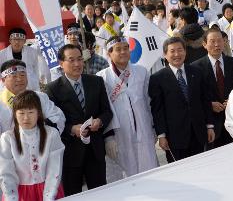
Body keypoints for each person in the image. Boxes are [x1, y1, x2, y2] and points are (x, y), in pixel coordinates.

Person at [45, 44, 114, 196]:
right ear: (61, 63)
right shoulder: (52, 89)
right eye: (71, 60)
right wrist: (71, 129)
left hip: (95, 150)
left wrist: (100, 122)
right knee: (73, 193)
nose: (77, 64)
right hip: (70, 152)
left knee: (100, 193)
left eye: (80, 59)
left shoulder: (96, 82)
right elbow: (51, 122)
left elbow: (107, 112)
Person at [97, 36, 158, 177]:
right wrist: (108, 137)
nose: (123, 52)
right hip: (119, 134)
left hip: (144, 129)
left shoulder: (142, 72)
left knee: (149, 170)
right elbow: (103, 109)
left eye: (126, 48)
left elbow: (149, 102)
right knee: (125, 175)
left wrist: (155, 128)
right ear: (109, 53)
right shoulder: (102, 77)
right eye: (118, 49)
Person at [148, 37, 215, 163]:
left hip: (198, 133)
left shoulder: (196, 72)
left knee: (201, 168)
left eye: (180, 50)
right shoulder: (157, 78)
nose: (177, 54)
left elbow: (205, 101)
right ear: (165, 54)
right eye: (172, 51)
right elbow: (157, 110)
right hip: (174, 137)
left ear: (185, 51)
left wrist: (210, 126)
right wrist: (161, 135)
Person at [0, 90, 65, 200]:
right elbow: (6, 172)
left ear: (38, 113)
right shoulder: (7, 138)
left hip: (49, 189)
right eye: (21, 113)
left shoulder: (52, 134)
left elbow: (54, 169)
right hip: (20, 193)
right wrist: (11, 197)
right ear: (15, 114)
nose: (26, 118)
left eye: (30, 112)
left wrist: (49, 196)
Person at [192, 29, 233, 148]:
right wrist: (209, 104)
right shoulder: (195, 68)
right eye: (212, 41)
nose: (217, 44)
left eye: (220, 40)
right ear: (204, 44)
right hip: (211, 125)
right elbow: (195, 96)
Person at [0, 59, 65, 135]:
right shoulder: (1, 103)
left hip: (43, 143)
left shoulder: (40, 97)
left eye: (22, 75)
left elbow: (58, 116)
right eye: (14, 76)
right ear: (3, 80)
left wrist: (40, 131)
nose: (19, 79)